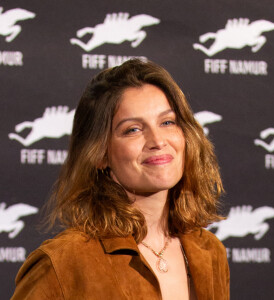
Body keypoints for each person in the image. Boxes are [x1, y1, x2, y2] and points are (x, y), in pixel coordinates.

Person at [11, 59, 229, 300]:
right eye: (133, 129)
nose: (157, 140)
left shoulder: (209, 251)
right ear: (100, 154)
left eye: (167, 122)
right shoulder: (63, 263)